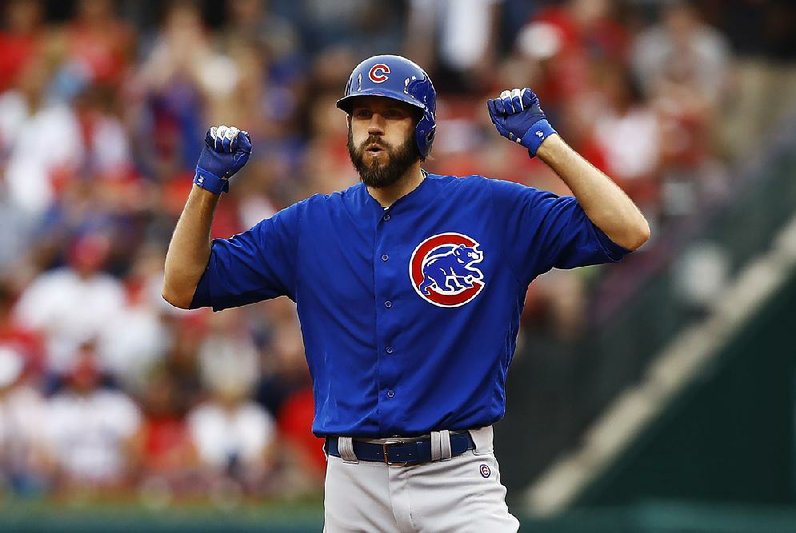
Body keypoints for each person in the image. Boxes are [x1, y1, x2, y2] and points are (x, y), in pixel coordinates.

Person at [163, 54, 649, 531]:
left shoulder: (489, 208)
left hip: (457, 478)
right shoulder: (309, 225)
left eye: (393, 113)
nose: (374, 126)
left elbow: (628, 230)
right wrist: (206, 183)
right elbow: (182, 286)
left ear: (424, 131)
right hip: (355, 488)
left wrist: (545, 142)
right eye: (361, 114)